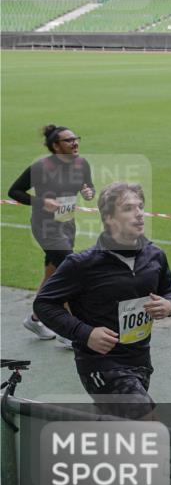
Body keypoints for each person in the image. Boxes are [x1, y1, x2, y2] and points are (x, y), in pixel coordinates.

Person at [33, 182, 171, 420]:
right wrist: (85, 332)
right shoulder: (82, 264)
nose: (139, 213)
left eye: (140, 207)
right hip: (100, 365)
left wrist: (169, 305)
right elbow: (43, 304)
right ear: (109, 218)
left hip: (140, 360)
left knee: (124, 426)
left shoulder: (155, 256)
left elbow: (170, 291)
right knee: (148, 423)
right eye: (128, 208)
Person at [8, 125, 95, 346]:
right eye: (69, 140)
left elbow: (89, 187)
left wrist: (88, 192)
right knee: (70, 271)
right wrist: (41, 202)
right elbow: (14, 191)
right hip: (46, 227)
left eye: (76, 138)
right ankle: (68, 329)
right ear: (56, 146)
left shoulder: (81, 164)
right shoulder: (41, 167)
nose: (75, 143)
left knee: (53, 274)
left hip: (67, 225)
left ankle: (35, 319)